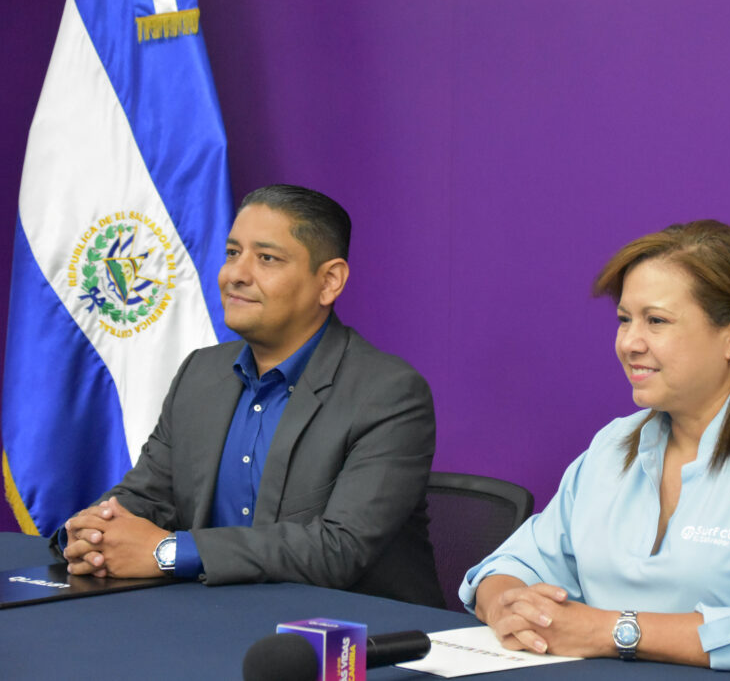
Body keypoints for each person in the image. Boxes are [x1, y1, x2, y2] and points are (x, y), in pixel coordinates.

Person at [460, 220, 730, 680]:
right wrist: (508, 606)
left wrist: (608, 630)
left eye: (656, 321)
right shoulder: (613, 445)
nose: (629, 343)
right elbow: (509, 566)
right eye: (624, 319)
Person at [55, 184, 444, 608]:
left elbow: (338, 548)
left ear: (329, 281)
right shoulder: (200, 373)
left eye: (266, 258)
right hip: (211, 618)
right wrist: (89, 533)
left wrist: (168, 552)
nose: (235, 275)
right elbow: (148, 496)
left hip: (349, 631)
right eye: (232, 253)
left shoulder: (388, 394)